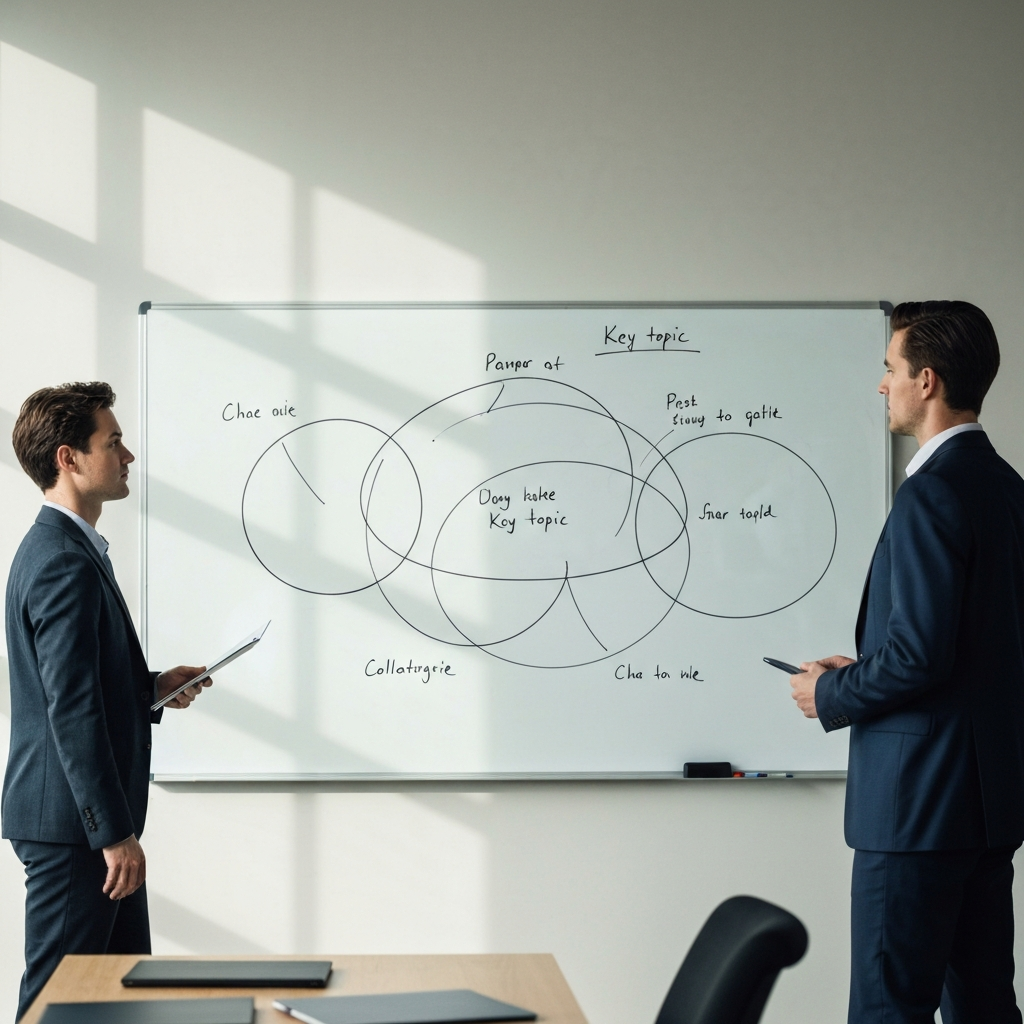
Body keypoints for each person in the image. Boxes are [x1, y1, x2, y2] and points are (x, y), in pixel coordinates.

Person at [788, 301, 1024, 1024]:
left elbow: (921, 655)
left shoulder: (933, 492)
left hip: (917, 809)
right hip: (987, 807)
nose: (881, 384)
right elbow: (975, 646)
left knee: (888, 1012)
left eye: (890, 368)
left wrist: (833, 691)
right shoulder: (1008, 489)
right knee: (986, 1008)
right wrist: (868, 666)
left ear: (927, 380)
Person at [3, 382, 211, 1021]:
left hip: (84, 824)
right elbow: (70, 709)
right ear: (68, 458)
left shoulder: (68, 550)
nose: (127, 455)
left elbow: (79, 685)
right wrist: (113, 835)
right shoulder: (62, 561)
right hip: (77, 830)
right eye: (112, 441)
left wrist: (151, 687)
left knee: (123, 1000)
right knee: (57, 1004)